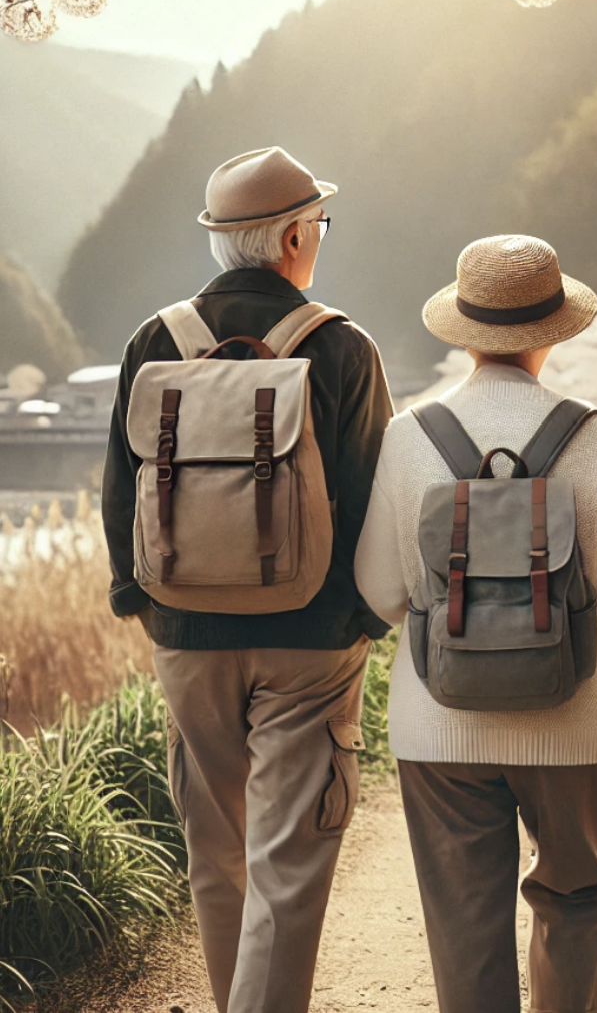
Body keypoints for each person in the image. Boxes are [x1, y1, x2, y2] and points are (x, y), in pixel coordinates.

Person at [102, 146, 393, 1013]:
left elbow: (121, 484)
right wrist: (363, 620)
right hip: (312, 640)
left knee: (216, 853)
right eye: (320, 226)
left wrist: (142, 602)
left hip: (187, 630)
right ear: (298, 234)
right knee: (290, 864)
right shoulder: (340, 345)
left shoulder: (156, 342)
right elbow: (373, 490)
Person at [356, 234, 597, 1013]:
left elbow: (380, 592)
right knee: (572, 904)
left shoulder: (410, 437)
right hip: (576, 716)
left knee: (465, 928)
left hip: (440, 722)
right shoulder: (594, 437)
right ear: (555, 330)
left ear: (464, 331)